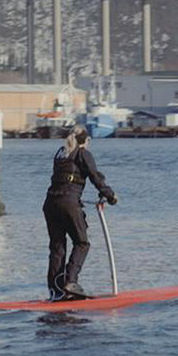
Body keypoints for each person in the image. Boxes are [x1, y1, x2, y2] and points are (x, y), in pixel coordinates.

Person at [44, 126, 117, 300]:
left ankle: (56, 290)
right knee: (82, 243)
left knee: (57, 247)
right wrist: (110, 196)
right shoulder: (83, 153)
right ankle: (70, 282)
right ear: (85, 141)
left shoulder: (61, 153)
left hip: (50, 204)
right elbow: (95, 177)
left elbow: (69, 178)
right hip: (68, 204)